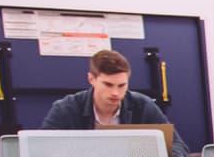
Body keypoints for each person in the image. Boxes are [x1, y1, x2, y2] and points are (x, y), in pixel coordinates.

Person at [41, 49, 170, 131]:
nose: (115, 93)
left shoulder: (143, 105)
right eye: (108, 85)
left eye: (122, 85)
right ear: (91, 79)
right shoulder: (66, 109)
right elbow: (43, 150)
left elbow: (176, 145)